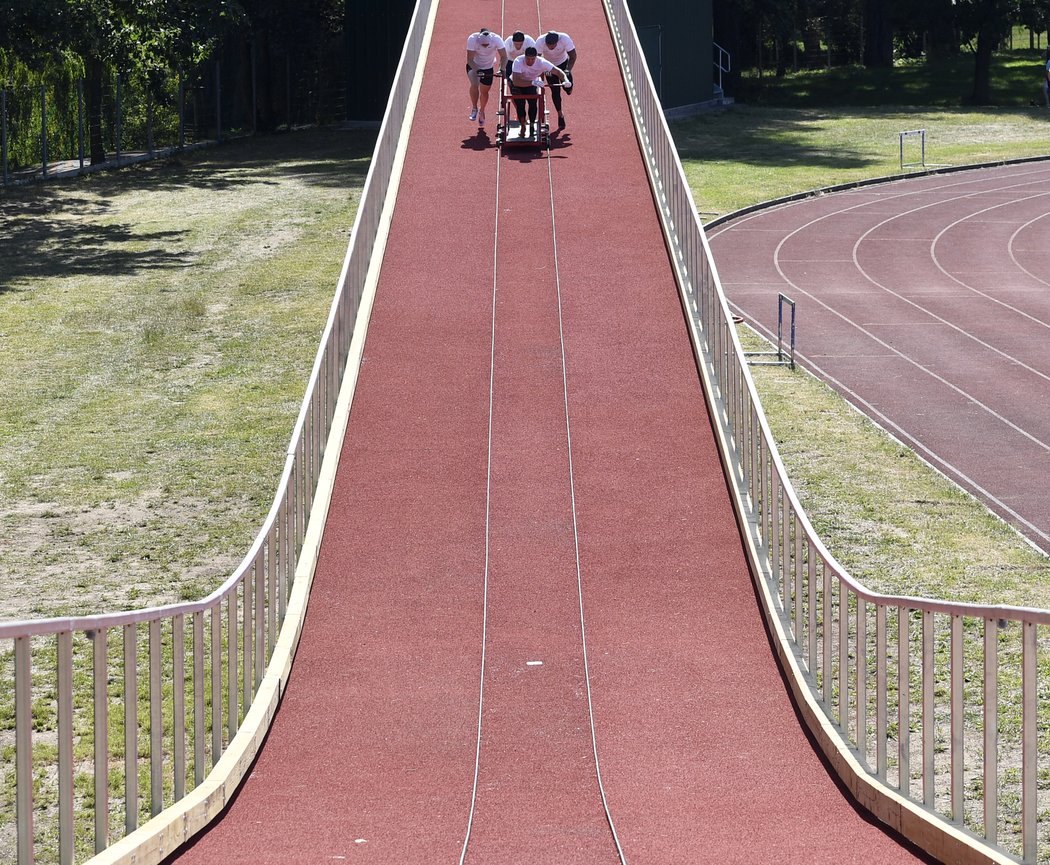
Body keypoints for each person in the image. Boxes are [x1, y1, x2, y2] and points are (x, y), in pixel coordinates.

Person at [510, 46, 569, 139]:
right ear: (524, 56)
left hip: (531, 84)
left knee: (533, 103)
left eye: (532, 59)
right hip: (518, 84)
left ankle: (532, 125)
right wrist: (533, 82)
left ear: (536, 58)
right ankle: (523, 126)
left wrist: (565, 80)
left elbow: (558, 71)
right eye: (528, 59)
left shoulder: (541, 62)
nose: (530, 61)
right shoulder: (518, 61)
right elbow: (516, 81)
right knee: (520, 104)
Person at [466, 28, 507, 126]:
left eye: (487, 45)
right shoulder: (472, 39)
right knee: (474, 84)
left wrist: (502, 69)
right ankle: (474, 108)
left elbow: (504, 56)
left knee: (484, 92)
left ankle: (482, 110)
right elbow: (470, 59)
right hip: (474, 65)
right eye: (483, 45)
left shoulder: (497, 39)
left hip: (488, 67)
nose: (485, 46)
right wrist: (478, 70)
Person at [536, 30, 576, 127]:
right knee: (555, 91)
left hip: (563, 64)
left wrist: (568, 70)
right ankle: (560, 115)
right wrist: (544, 70)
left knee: (568, 88)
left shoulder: (565, 38)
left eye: (553, 45)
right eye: (548, 45)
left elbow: (573, 56)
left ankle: (569, 89)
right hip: (549, 67)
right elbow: (537, 60)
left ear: (557, 42)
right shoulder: (540, 41)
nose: (550, 48)